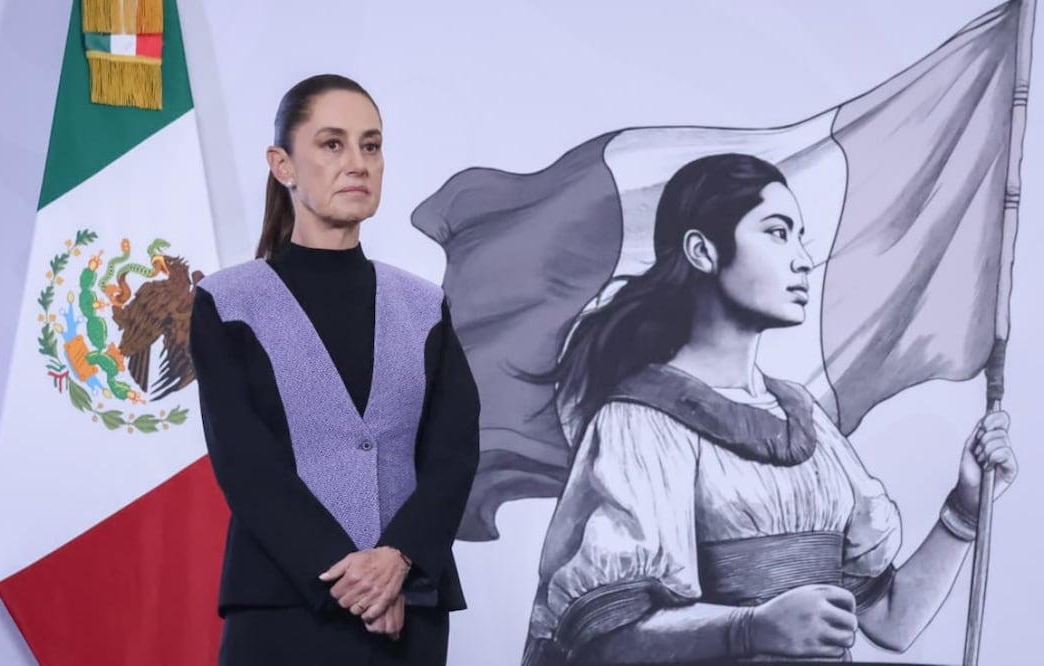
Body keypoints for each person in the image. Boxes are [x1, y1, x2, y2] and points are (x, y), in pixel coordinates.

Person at [520, 153, 1018, 664]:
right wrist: (750, 629)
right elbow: (604, 642)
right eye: (777, 233)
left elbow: (891, 621)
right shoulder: (642, 422)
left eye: (800, 236)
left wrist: (965, 508)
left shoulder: (808, 424)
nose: (802, 258)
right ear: (702, 251)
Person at [188, 73, 481, 665]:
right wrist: (357, 585)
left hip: (409, 613)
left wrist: (397, 559)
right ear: (283, 165)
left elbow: (454, 452)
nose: (358, 163)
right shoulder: (227, 302)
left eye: (370, 146)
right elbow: (246, 465)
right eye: (332, 144)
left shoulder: (425, 306)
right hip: (281, 611)